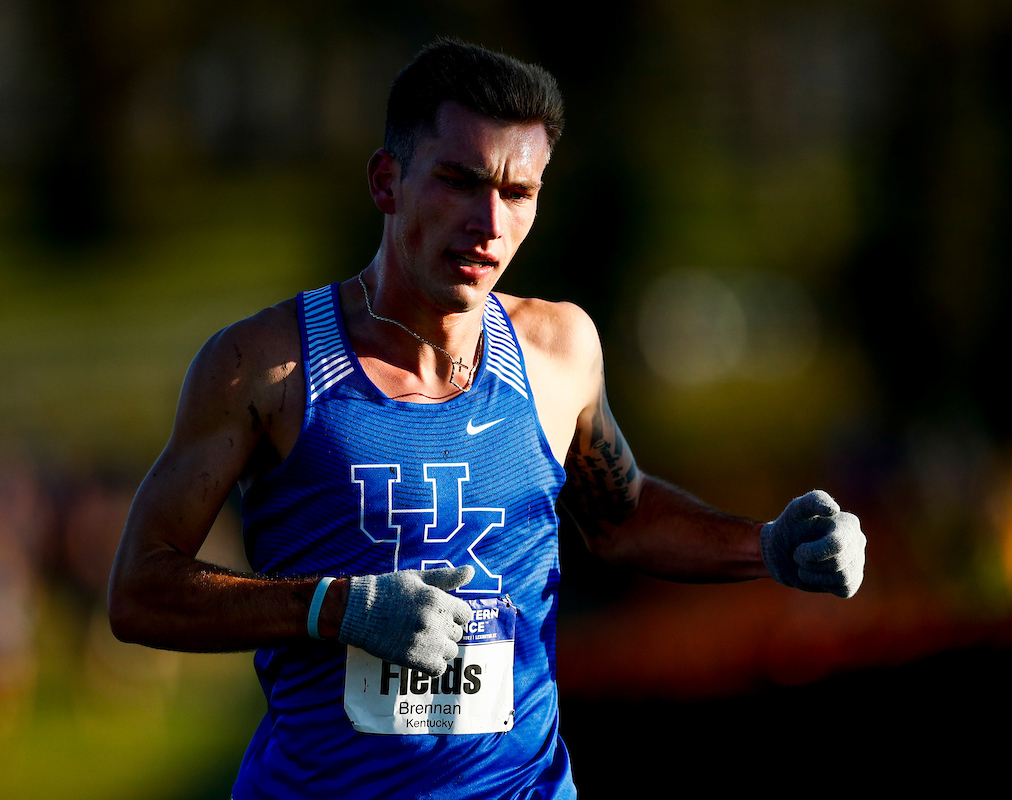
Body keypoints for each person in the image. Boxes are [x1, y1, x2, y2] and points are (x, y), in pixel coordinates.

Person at [108, 38, 865, 799]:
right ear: (386, 180)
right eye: (460, 181)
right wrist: (336, 608)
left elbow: (622, 518)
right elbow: (140, 589)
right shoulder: (266, 365)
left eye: (519, 191)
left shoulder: (558, 350)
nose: (489, 222)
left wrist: (768, 546)